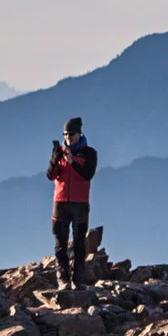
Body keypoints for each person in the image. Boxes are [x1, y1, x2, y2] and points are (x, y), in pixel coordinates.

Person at [47, 117, 97, 288]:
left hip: (80, 203)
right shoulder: (59, 151)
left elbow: (87, 174)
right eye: (65, 134)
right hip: (60, 202)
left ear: (79, 134)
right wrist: (55, 159)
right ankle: (63, 279)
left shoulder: (89, 153)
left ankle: (78, 279)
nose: (68, 137)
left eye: (71, 134)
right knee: (60, 242)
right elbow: (50, 175)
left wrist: (72, 162)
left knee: (79, 242)